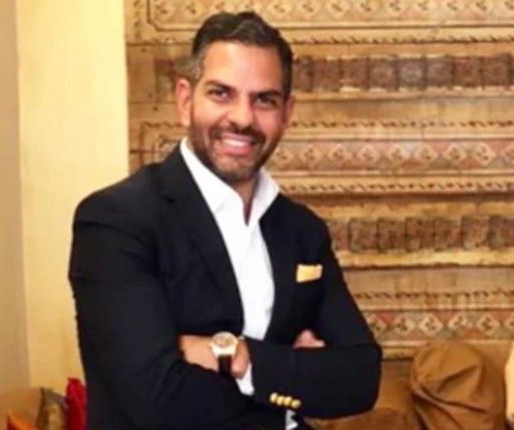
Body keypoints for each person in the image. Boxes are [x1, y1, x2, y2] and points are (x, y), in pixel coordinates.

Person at [69, 11, 381, 430]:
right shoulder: (116, 221)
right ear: (185, 100)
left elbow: (361, 377)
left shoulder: (302, 230)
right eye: (221, 94)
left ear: (287, 112)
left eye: (264, 100)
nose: (242, 118)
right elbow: (155, 400)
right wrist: (292, 387)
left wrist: (238, 356)